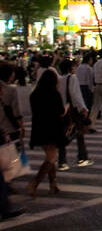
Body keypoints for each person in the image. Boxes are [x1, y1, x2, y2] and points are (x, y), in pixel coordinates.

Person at [28, 68, 66, 197]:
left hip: (39, 128)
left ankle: (53, 184)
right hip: (52, 128)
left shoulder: (34, 94)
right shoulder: (54, 94)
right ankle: (35, 182)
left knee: (50, 157)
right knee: (51, 158)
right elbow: (61, 111)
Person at [56, 59, 92, 169]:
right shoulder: (72, 78)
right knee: (79, 133)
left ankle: (62, 162)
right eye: (72, 66)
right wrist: (83, 109)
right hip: (73, 111)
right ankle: (82, 158)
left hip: (62, 109)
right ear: (69, 68)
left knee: (64, 133)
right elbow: (75, 95)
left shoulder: (59, 79)